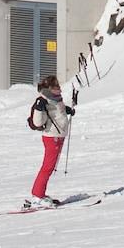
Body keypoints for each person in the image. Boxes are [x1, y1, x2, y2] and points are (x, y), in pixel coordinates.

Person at [26, 75, 75, 204]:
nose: (59, 88)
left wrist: (67, 110)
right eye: (56, 86)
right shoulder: (43, 100)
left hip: (58, 136)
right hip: (51, 137)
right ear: (50, 88)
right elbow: (38, 122)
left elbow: (56, 113)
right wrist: (39, 109)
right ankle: (37, 195)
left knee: (49, 167)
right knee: (47, 167)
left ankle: (40, 194)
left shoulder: (56, 98)